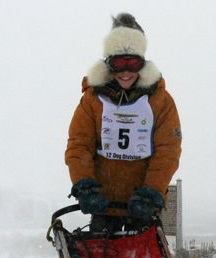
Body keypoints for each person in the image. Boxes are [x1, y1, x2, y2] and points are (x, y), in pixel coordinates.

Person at [65, 12, 182, 233]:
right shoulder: (92, 100)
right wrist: (85, 187)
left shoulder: (160, 101)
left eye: (133, 63)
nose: (126, 72)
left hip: (143, 208)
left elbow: (168, 150)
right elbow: (79, 145)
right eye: (119, 63)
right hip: (103, 206)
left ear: (142, 64)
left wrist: (151, 192)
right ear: (109, 64)